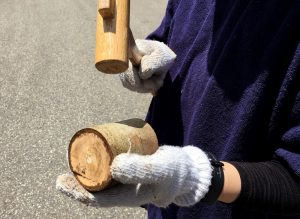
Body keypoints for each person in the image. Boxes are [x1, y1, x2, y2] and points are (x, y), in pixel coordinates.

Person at [56, 0, 300, 218]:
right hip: (166, 207)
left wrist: (197, 177)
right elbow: (171, 37)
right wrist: (149, 60)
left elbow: (293, 179)